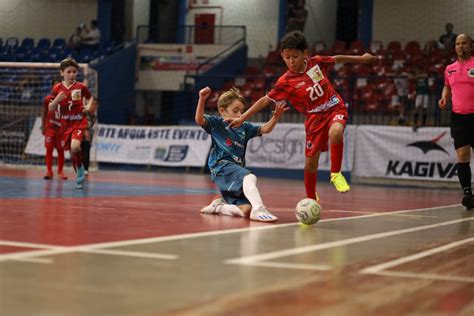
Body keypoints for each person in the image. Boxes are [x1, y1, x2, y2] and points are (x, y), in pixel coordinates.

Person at [228, 31, 376, 202]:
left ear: (305, 54)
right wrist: (242, 118)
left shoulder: (316, 63)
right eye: (287, 57)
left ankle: (336, 174)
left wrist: (361, 59)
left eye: (295, 56)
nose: (291, 61)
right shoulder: (285, 81)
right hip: (314, 119)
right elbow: (265, 100)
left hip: (335, 108)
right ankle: (311, 199)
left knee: (335, 132)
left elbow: (337, 58)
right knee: (310, 165)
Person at [196, 86, 288, 222]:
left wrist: (275, 117)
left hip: (235, 170)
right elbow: (199, 120)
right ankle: (259, 208)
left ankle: (219, 206)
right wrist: (202, 99)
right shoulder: (217, 124)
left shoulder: (245, 127)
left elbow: (266, 129)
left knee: (245, 210)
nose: (240, 114)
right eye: (235, 111)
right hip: (221, 166)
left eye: (241, 111)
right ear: (222, 111)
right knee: (250, 177)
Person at [438, 34, 474, 210]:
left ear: (471, 45)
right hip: (458, 118)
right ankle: (468, 193)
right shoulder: (450, 68)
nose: (461, 46)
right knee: (462, 156)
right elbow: (447, 85)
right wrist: (444, 97)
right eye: (458, 44)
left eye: (464, 43)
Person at [49, 58, 95, 189]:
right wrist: (57, 99)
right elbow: (51, 108)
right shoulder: (57, 88)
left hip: (79, 122)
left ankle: (80, 171)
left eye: (74, 72)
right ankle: (79, 170)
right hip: (65, 125)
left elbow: (91, 97)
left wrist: (88, 106)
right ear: (61, 73)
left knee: (75, 146)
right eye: (69, 72)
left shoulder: (81, 87)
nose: (72, 74)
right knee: (73, 152)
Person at [40, 79, 67, 180]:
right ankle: (49, 171)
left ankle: (60, 171)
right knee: (49, 149)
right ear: (52, 87)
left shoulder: (65, 99)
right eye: (55, 86)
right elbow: (43, 112)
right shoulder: (48, 99)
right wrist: (43, 126)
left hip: (61, 129)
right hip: (50, 128)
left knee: (61, 150)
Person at [81, 98, 99, 175]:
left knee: (87, 149)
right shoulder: (84, 112)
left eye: (95, 104)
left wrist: (90, 136)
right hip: (79, 133)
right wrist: (84, 131)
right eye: (92, 103)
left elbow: (91, 127)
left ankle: (85, 169)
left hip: (87, 135)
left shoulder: (94, 116)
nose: (93, 106)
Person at [412, 65, 430, 131]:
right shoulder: (418, 77)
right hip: (419, 94)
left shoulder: (424, 75)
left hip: (425, 93)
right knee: (417, 107)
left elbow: (426, 76)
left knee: (424, 108)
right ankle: (415, 123)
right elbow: (411, 78)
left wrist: (417, 76)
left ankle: (423, 123)